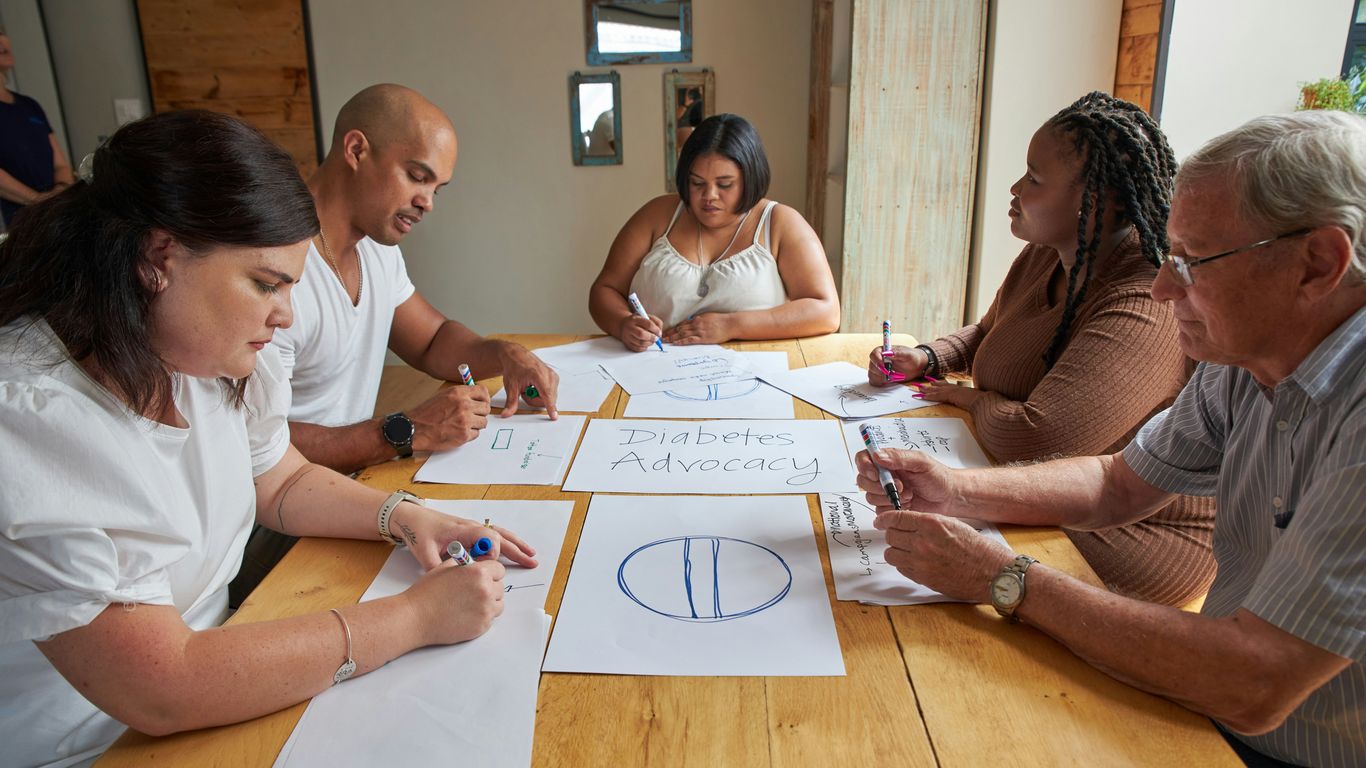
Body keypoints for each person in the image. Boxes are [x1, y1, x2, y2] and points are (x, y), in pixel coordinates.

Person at [0, 110, 537, 768]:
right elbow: (163, 687)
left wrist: (409, 516)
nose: (284, 315)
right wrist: (414, 619)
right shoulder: (30, 417)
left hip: (217, 678)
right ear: (157, 257)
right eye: (265, 285)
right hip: (91, 742)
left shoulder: (201, 352)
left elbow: (279, 480)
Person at [856, 110, 1366, 767]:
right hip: (1215, 711)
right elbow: (1118, 483)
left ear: (1318, 264)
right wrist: (955, 489)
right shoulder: (1248, 355)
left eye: (1193, 261)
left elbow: (1256, 681)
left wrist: (1002, 577)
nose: (1162, 286)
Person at [868, 92, 1214, 606]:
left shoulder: (1144, 297)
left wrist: (972, 400)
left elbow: (1039, 441)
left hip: (1130, 536)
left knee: (901, 562)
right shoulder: (1047, 253)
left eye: (1033, 178)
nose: (1014, 188)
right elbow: (990, 331)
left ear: (1094, 201)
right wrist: (929, 357)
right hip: (1025, 482)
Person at [274, 84, 560, 476]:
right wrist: (407, 431)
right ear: (356, 150)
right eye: (416, 176)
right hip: (274, 517)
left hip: (348, 480)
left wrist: (505, 354)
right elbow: (256, 443)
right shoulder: (273, 268)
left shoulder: (377, 249)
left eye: (436, 188)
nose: (428, 202)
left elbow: (431, 340)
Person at [590, 113, 840, 350]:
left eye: (724, 184)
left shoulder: (780, 223)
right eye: (697, 183)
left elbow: (826, 311)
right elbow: (604, 290)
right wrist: (623, 323)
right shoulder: (657, 215)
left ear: (750, 178)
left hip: (754, 377)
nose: (709, 196)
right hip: (655, 371)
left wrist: (732, 325)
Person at [0, 27, 74, 228]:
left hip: (61, 212)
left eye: (1, 33)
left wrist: (62, 190)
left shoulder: (29, 105)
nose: (2, 41)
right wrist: (38, 202)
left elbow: (60, 164)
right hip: (25, 225)